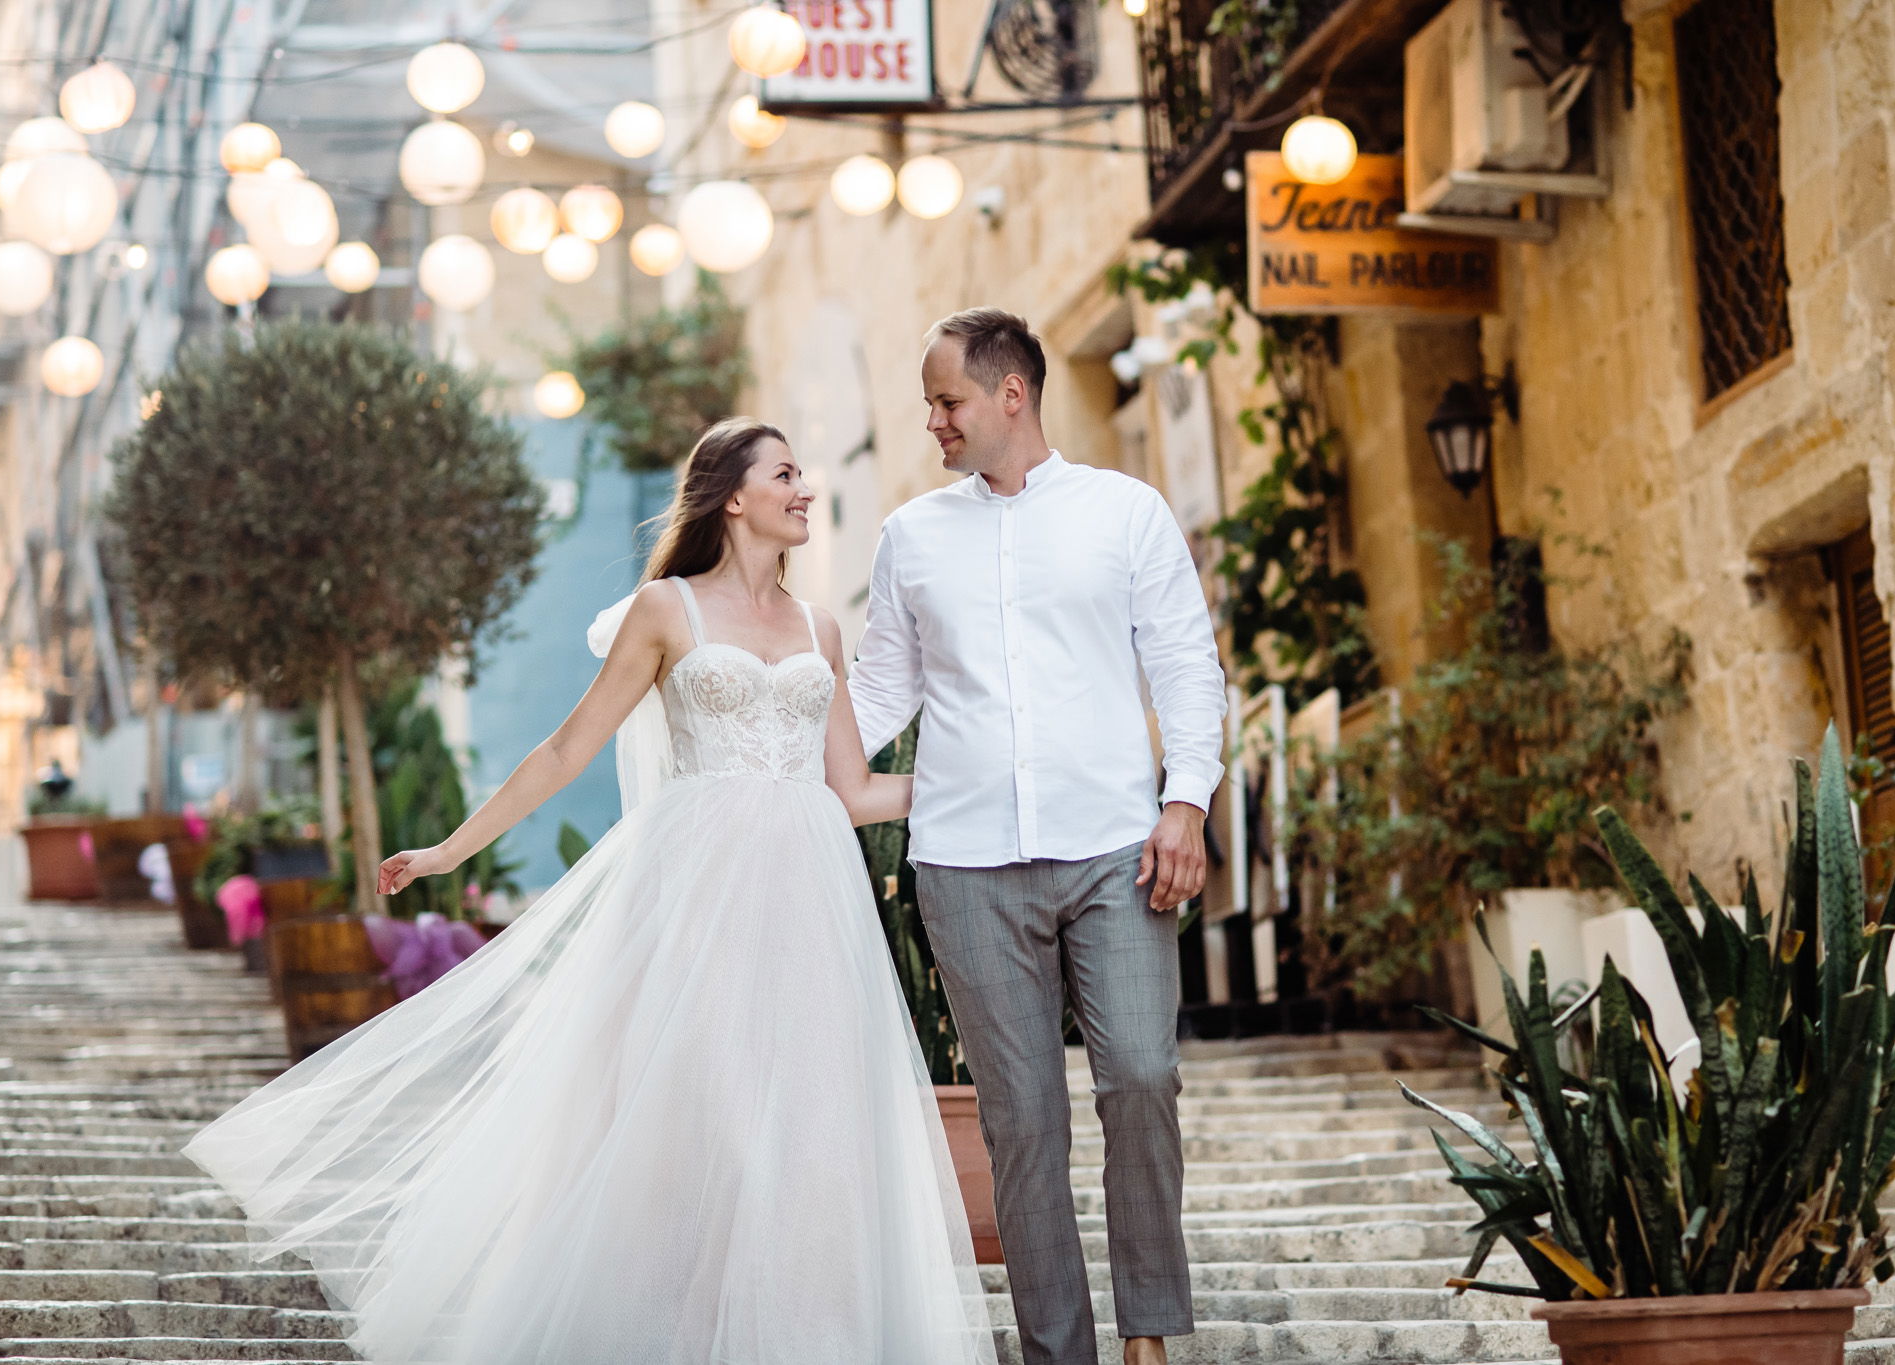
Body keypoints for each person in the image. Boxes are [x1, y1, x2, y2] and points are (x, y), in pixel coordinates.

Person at [180, 418, 996, 1365]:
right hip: (699, 893)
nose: (806, 489)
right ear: (733, 496)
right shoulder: (666, 610)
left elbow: (853, 790)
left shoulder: (821, 626)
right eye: (786, 474)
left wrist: (989, 779)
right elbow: (565, 748)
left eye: (805, 475)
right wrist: (448, 850)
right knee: (712, 1121)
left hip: (812, 902)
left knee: (811, 1129)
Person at [848, 308, 1229, 1365]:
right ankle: (1055, 1353)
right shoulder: (911, 537)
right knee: (1020, 1124)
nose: (932, 422)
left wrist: (1184, 801)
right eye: (931, 403)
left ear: (1010, 393)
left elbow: (1187, 669)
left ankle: (1147, 1334)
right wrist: (772, 733)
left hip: (1117, 849)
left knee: (1140, 1077)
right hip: (965, 867)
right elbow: (881, 689)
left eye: (946, 400)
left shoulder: (1125, 512)